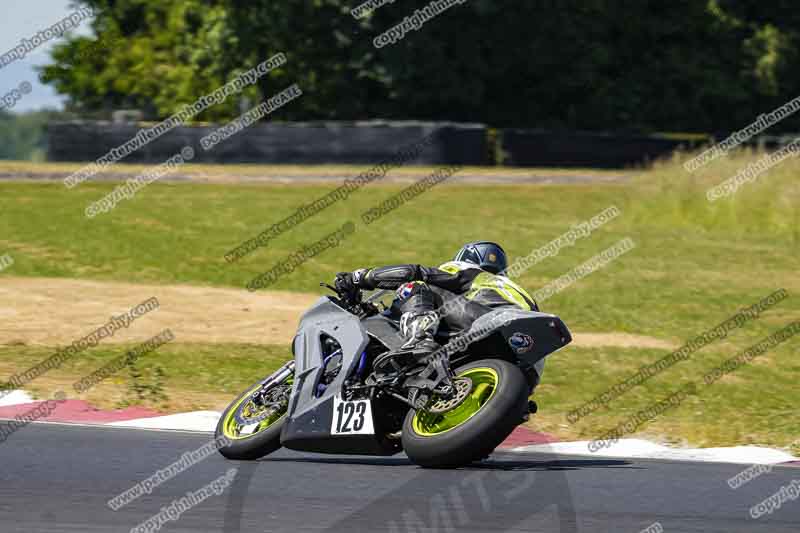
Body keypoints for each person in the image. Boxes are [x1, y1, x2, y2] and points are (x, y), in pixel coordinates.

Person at [336, 241, 539, 359]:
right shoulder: (516, 291)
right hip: (521, 349)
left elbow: (414, 273)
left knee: (416, 286)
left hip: (485, 321)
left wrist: (361, 277)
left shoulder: (469, 270)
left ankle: (420, 340)